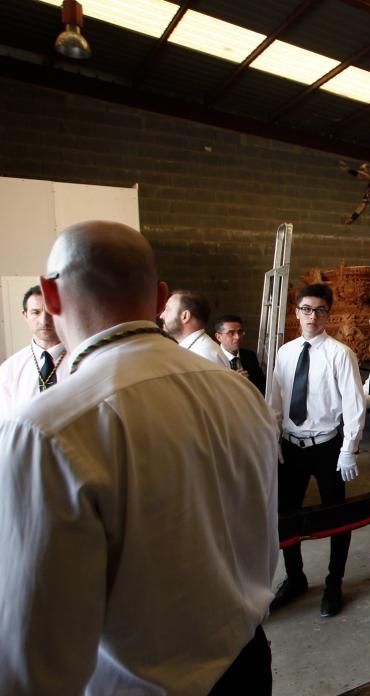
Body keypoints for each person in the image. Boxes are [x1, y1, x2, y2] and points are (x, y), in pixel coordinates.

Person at [0, 220, 278, 694]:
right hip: (247, 664)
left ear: (49, 294)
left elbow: (31, 659)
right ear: (158, 297)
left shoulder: (49, 429)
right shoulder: (239, 392)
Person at [268, 283, 366, 617]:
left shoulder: (340, 354)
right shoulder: (285, 353)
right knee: (286, 515)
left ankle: (334, 582)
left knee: (337, 515)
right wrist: (273, 441)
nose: (313, 316)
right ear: (296, 313)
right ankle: (295, 578)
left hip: (327, 446)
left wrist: (349, 449)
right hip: (291, 445)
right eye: (307, 309)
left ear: (329, 315)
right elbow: (276, 401)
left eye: (320, 310)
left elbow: (354, 405)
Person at [0, 285, 66, 417]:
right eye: (36, 312)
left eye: (51, 312)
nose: (44, 321)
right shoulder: (10, 369)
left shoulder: (83, 360)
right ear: (25, 315)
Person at [160, 289, 229, 368]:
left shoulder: (204, 354)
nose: (161, 316)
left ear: (185, 316)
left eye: (167, 309)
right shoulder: (196, 349)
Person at [341, 161, 370, 265]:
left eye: (363, 169)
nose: (361, 172)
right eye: (360, 169)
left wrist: (350, 170)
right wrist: (352, 218)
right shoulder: (368, 189)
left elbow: (369, 178)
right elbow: (363, 205)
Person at [215, 313, 266, 395]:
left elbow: (262, 386)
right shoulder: (213, 358)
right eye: (231, 333)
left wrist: (248, 383)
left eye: (240, 332)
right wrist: (232, 384)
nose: (237, 337)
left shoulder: (250, 356)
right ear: (218, 337)